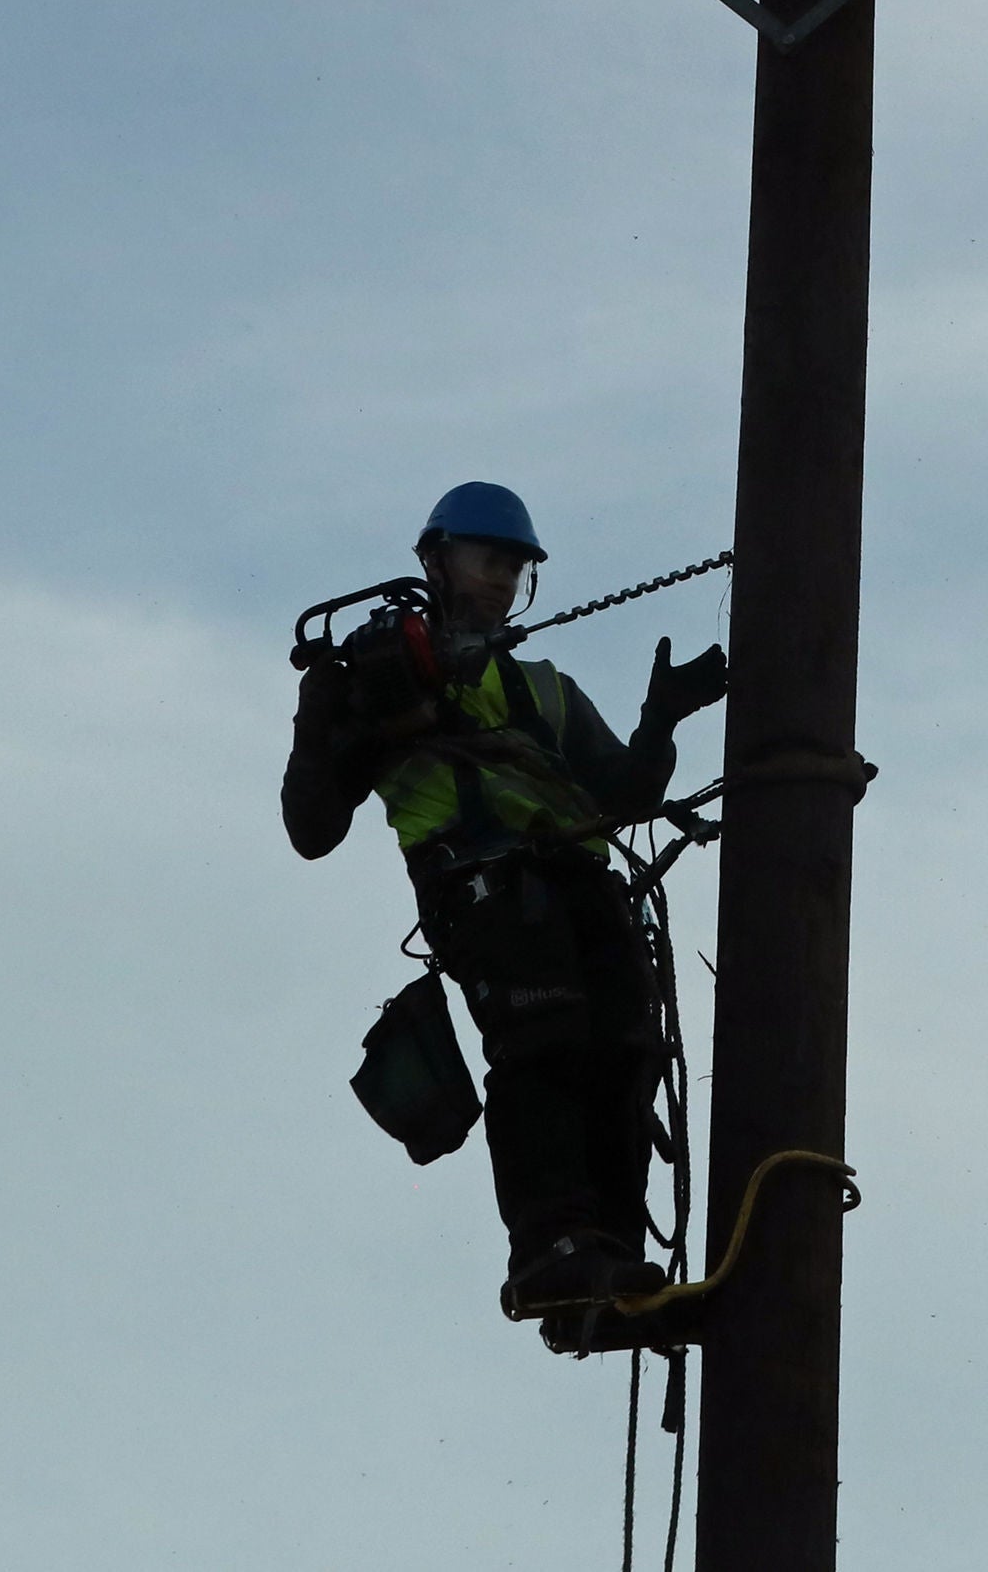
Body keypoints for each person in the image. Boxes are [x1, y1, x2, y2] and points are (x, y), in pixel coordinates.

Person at [280, 480, 727, 1347]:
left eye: (515, 569)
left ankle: (610, 1268)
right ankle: (553, 1252)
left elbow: (626, 795)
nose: (501, 582)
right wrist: (361, 723)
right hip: (483, 890)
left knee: (626, 1055)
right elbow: (311, 827)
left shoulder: (541, 689)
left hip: (582, 889)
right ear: (435, 560)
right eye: (490, 561)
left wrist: (660, 719)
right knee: (546, 1045)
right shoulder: (369, 672)